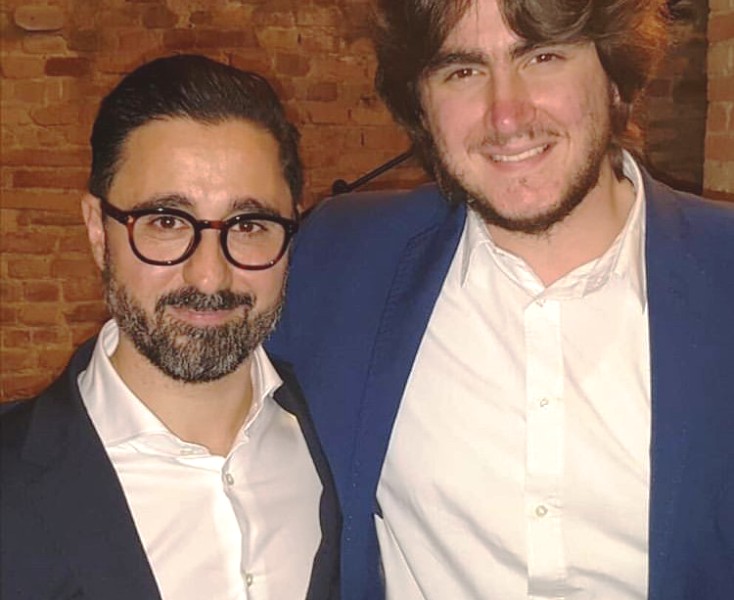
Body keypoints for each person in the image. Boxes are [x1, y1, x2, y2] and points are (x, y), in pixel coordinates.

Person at [267, 0, 734, 598]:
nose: (506, 114)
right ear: (421, 103)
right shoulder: (340, 261)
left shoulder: (722, 275)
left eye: (542, 57)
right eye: (462, 70)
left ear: (615, 76)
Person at [1, 54, 339, 600]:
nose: (208, 275)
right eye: (166, 221)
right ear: (97, 230)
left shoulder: (346, 440)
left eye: (249, 225)